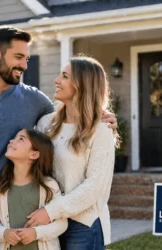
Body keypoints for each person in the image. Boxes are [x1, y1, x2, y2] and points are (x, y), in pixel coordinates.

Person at [0, 25, 117, 250]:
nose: (24, 65)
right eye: (18, 57)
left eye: (27, 58)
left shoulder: (34, 100)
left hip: (18, 212)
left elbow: (73, 116)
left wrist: (103, 118)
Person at [25, 55, 116, 250]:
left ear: (83, 85)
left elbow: (94, 187)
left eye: (65, 76)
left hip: (83, 223)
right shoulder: (45, 124)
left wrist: (51, 211)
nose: (57, 80)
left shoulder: (101, 130)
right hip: (48, 222)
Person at [0, 128, 67, 250]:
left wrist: (36, 233)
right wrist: (4, 233)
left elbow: (61, 224)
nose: (11, 141)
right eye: (15, 138)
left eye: (21, 139)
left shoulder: (49, 186)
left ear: (34, 154)